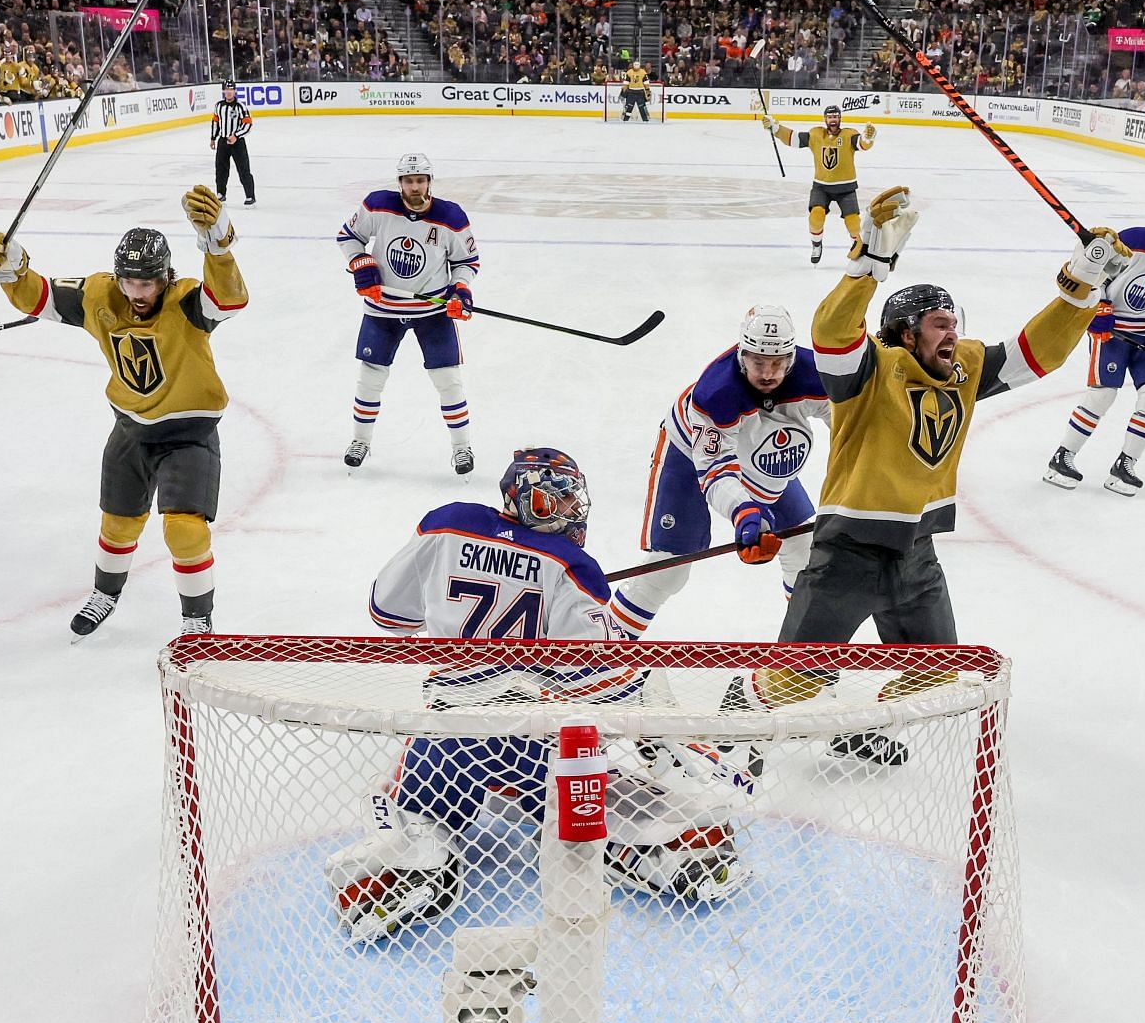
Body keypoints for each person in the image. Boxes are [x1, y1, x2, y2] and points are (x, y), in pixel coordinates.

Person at [733, 187, 1129, 760]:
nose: (953, 335)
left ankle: (855, 725)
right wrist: (867, 266)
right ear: (903, 332)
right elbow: (830, 336)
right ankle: (732, 723)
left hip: (917, 554)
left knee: (936, 671)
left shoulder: (964, 368)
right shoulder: (871, 368)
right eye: (938, 325)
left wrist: (1079, 289)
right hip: (849, 553)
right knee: (796, 679)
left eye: (954, 323)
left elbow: (1035, 355)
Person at [330, 447, 750, 941]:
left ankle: (404, 870)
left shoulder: (445, 525)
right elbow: (604, 673)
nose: (574, 510)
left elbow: (388, 614)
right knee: (608, 743)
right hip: (534, 744)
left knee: (408, 805)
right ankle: (660, 847)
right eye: (565, 501)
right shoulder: (573, 565)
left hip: (447, 737)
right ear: (536, 501)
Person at [0, 186, 249, 639]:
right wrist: (10, 268)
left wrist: (218, 243)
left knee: (185, 530)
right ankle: (106, 593)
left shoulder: (186, 303)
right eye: (130, 282)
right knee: (117, 523)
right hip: (130, 430)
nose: (137, 293)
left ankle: (197, 619)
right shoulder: (101, 296)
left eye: (147, 283)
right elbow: (38, 297)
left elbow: (230, 299)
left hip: (189, 434)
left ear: (165, 277)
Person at [611, 304, 830, 636]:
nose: (769, 373)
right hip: (688, 455)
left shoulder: (814, 375)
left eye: (777, 363)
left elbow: (850, 428)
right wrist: (745, 514)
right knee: (667, 569)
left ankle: (798, 664)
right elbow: (716, 469)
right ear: (742, 355)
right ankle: (596, 655)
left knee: (804, 550)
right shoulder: (716, 393)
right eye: (758, 362)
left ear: (791, 357)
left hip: (763, 449)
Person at [1044, 186, 1145, 496]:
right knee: (1103, 394)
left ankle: (1125, 464)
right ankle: (1061, 458)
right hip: (1112, 332)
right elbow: (1095, 275)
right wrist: (1100, 305)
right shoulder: (1131, 239)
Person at [336, 153, 481, 474]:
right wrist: (361, 262)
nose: (415, 187)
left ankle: (461, 448)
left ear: (429, 181)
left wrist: (461, 290)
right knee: (370, 378)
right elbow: (348, 236)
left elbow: (467, 262)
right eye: (408, 181)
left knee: (448, 380)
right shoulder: (377, 206)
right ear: (399, 183)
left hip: (433, 310)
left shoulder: (450, 217)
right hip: (382, 308)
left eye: (420, 180)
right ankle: (361, 441)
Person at [757, 104, 877, 263]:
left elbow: (862, 144)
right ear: (825, 119)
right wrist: (775, 128)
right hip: (821, 186)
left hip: (846, 187)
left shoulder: (849, 135)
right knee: (816, 217)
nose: (833, 120)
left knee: (854, 223)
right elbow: (794, 139)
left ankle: (857, 243)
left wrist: (868, 138)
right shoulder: (816, 134)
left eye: (835, 117)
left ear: (840, 118)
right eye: (830, 117)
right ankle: (817, 245)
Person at [209, 82, 255, 205]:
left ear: (235, 91)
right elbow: (215, 122)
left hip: (237, 143)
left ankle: (250, 195)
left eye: (231, 89)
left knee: (243, 169)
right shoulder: (218, 106)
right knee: (221, 169)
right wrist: (213, 138)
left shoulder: (241, 107)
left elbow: (248, 124)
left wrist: (236, 136)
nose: (229, 92)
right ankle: (221, 193)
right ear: (223, 91)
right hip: (223, 142)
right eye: (226, 89)